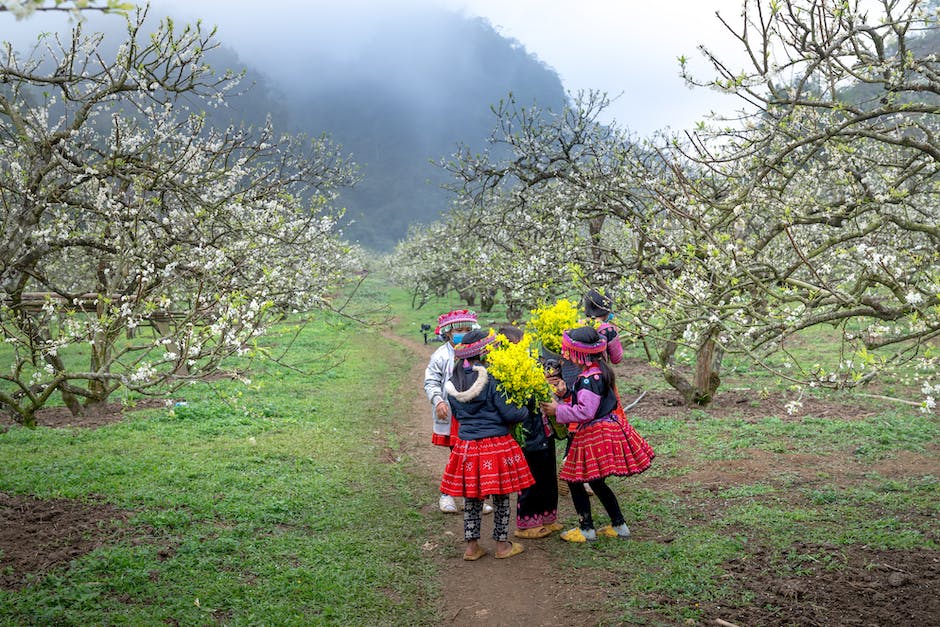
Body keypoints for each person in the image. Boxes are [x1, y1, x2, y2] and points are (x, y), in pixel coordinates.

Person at [541, 326, 654, 543]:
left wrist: (557, 410)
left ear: (579, 353)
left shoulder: (587, 379)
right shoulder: (598, 371)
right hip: (606, 429)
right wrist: (566, 394)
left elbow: (586, 411)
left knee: (575, 479)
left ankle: (587, 529)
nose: (565, 356)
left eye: (568, 351)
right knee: (596, 481)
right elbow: (587, 402)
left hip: (595, 433)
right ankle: (619, 525)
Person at [441, 329, 535, 560]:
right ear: (484, 352)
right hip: (496, 446)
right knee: (501, 497)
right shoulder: (492, 379)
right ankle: (502, 546)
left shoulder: (453, 382)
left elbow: (458, 416)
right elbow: (509, 413)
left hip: (467, 447)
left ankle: (472, 548)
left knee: (472, 497)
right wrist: (526, 407)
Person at [497, 326, 563, 540]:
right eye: (521, 344)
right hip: (528, 430)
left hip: (544, 428)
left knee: (547, 475)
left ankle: (547, 516)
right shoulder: (504, 369)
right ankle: (526, 523)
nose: (525, 349)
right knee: (530, 478)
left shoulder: (531, 363)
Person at [424, 309, 491, 515]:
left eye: (465, 330)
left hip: (474, 413)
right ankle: (447, 495)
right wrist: (438, 401)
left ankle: (475, 496)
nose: (462, 333)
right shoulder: (441, 356)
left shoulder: (476, 353)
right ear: (448, 333)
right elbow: (432, 381)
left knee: (474, 456)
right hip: (453, 414)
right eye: (458, 330)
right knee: (457, 456)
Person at [583, 288, 623, 365]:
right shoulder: (609, 330)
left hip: (574, 374)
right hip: (598, 374)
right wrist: (615, 334)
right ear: (607, 309)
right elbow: (616, 358)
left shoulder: (576, 325)